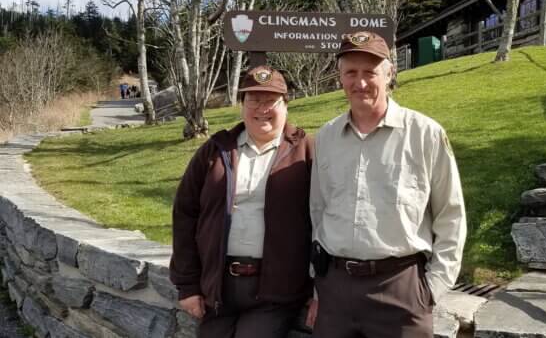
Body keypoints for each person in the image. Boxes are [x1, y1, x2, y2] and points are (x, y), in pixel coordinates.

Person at [310, 32, 467, 338]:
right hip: (336, 290)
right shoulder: (326, 137)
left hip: (402, 289)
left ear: (389, 73)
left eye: (370, 72)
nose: (361, 82)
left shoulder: (425, 134)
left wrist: (433, 287)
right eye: (351, 73)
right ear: (340, 77)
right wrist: (319, 282)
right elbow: (318, 210)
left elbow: (452, 214)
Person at [170, 65, 314, 338]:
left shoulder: (306, 151)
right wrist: (188, 286)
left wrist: (318, 289)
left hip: (276, 291)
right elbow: (185, 214)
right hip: (218, 289)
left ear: (286, 105)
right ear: (242, 105)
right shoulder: (216, 150)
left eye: (271, 100)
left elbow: (322, 220)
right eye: (253, 100)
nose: (262, 108)